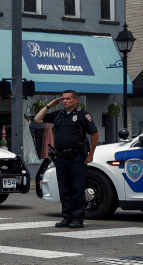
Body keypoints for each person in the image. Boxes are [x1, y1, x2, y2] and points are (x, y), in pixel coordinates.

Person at [35, 90, 99, 228]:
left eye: (68, 99)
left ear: (76, 100)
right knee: (64, 189)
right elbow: (37, 119)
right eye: (63, 99)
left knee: (77, 188)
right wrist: (49, 105)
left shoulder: (83, 115)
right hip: (61, 158)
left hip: (77, 158)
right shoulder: (58, 114)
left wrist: (90, 155)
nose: (64, 101)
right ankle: (67, 217)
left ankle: (77, 218)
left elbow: (95, 134)